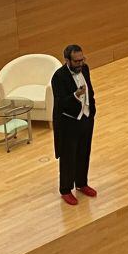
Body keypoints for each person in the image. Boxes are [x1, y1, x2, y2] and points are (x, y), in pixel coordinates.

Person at [51, 44, 97, 205]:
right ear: (67, 60)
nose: (80, 64)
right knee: (68, 157)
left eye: (82, 59)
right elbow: (60, 103)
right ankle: (65, 189)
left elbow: (90, 91)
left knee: (84, 153)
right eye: (76, 61)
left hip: (85, 119)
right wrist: (75, 95)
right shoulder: (58, 77)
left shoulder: (85, 69)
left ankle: (81, 183)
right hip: (68, 122)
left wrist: (91, 110)